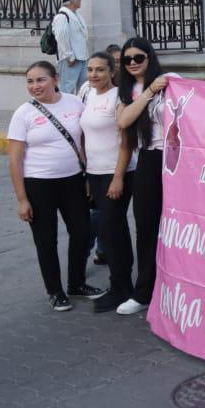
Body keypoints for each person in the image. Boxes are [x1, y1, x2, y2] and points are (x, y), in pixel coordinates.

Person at [6, 61, 104, 311]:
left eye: (41, 80)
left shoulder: (74, 103)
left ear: (55, 79)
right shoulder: (23, 114)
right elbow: (15, 160)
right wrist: (22, 199)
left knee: (82, 233)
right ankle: (55, 291)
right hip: (38, 185)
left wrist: (88, 177)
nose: (35, 86)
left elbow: (83, 143)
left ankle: (77, 283)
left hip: (73, 181)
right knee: (45, 240)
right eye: (30, 81)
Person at [115, 38, 169, 316]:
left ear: (150, 57)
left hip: (177, 159)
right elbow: (124, 121)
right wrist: (148, 91)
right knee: (146, 226)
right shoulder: (128, 90)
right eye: (128, 59)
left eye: (139, 57)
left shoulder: (171, 81)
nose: (134, 63)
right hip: (148, 158)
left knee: (180, 226)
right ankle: (144, 291)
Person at [77, 53, 134, 311]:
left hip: (116, 174)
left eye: (100, 70)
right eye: (90, 69)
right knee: (112, 230)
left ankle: (121, 288)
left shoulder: (119, 98)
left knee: (112, 230)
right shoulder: (88, 95)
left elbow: (126, 142)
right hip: (95, 174)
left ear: (112, 71)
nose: (93, 75)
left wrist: (118, 177)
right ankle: (122, 287)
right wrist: (87, 176)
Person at [50, 0, 89, 94]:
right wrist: (69, 56)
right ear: (73, 1)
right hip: (70, 59)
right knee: (68, 87)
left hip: (81, 57)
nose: (80, 1)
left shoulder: (76, 15)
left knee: (84, 87)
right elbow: (61, 37)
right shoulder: (62, 16)